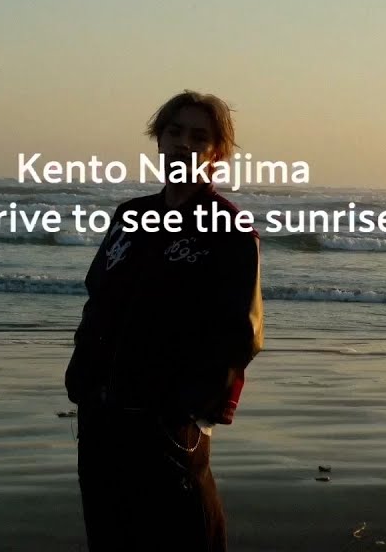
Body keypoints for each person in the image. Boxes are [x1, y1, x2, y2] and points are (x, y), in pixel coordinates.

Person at [64, 90, 265, 552]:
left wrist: (188, 407)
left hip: (170, 426)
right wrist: (82, 375)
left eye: (199, 136)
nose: (183, 144)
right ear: (159, 139)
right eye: (174, 132)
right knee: (110, 537)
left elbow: (243, 334)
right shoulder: (131, 215)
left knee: (184, 538)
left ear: (217, 151)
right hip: (102, 415)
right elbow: (98, 297)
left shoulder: (229, 230)